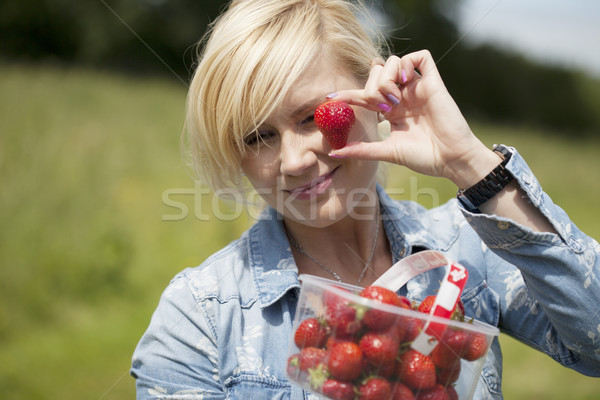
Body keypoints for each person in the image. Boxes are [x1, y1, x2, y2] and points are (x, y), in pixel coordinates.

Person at [130, 0, 600, 398]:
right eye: (257, 136)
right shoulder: (201, 319)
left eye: (314, 117)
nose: (293, 161)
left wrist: (468, 163)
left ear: (377, 95)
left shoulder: (466, 251)